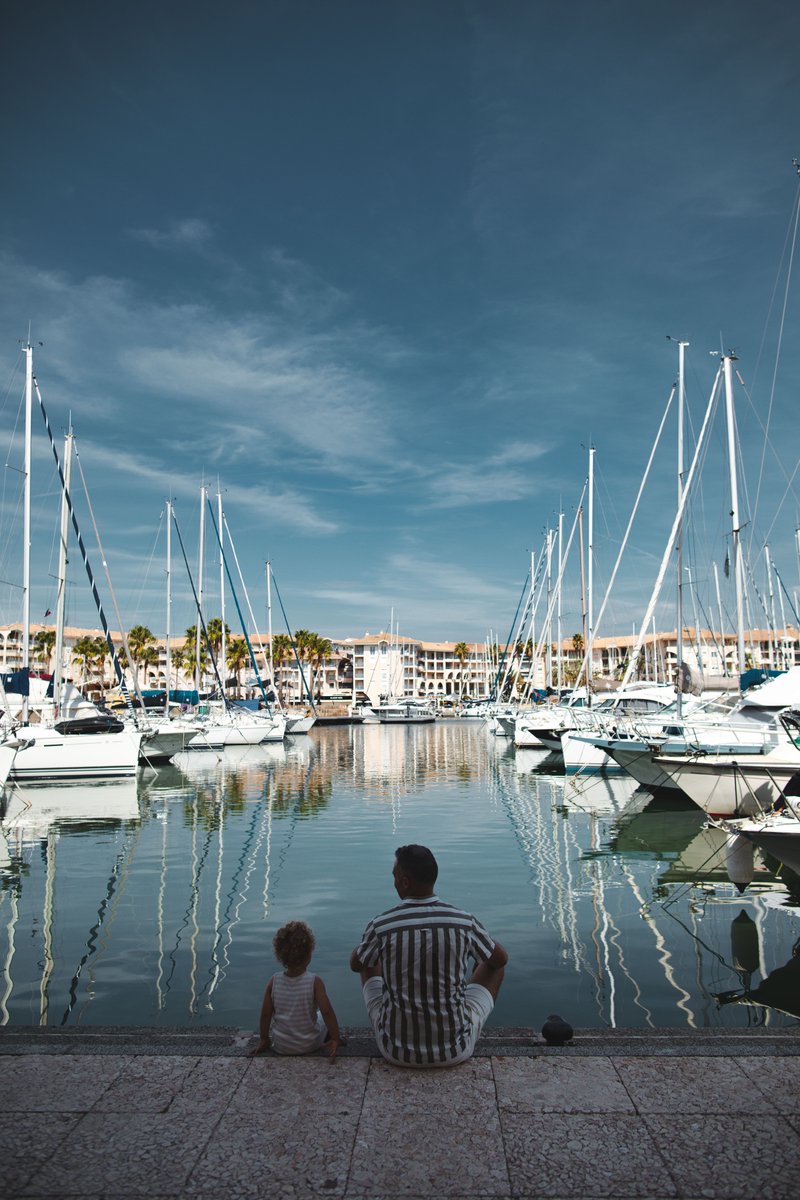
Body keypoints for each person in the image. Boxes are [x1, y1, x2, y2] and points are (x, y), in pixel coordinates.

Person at [350, 843, 508, 1067]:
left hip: (395, 1050)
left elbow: (356, 965)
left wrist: (372, 944)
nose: (393, 882)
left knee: (366, 958)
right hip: (455, 1050)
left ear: (405, 882)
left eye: (394, 877)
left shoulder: (381, 924)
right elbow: (501, 960)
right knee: (494, 964)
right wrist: (481, 949)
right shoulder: (463, 921)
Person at [250, 920, 341, 1060]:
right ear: (309, 954)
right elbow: (327, 1012)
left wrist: (264, 1039)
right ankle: (331, 1039)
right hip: (310, 1044)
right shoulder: (314, 982)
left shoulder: (273, 981)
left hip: (281, 1046)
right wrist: (336, 1038)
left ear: (280, 954)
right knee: (321, 1016)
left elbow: (265, 1015)